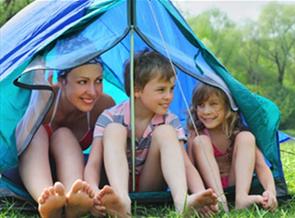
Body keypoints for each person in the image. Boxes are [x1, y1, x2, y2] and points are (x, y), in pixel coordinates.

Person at [84, 51, 218, 217]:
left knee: (166, 132)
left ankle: (181, 202)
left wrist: (199, 194)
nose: (169, 96)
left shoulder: (170, 120)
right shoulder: (109, 116)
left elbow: (186, 165)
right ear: (137, 90)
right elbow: (93, 164)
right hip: (115, 184)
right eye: (161, 90)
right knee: (114, 129)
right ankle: (122, 201)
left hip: (150, 182)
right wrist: (94, 192)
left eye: (171, 89)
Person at [18, 58, 115, 218]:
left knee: (64, 135)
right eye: (83, 82)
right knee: (36, 132)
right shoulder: (45, 95)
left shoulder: (103, 106)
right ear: (62, 81)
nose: (92, 91)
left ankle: (73, 196)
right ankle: (46, 200)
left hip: (71, 166)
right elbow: (19, 140)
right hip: (32, 168)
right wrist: (40, 101)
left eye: (98, 81)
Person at [187, 83, 278, 211]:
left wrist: (271, 191)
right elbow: (190, 169)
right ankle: (219, 200)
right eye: (201, 105)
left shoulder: (237, 132)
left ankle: (242, 198)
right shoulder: (196, 134)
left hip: (234, 184)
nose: (206, 111)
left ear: (228, 106)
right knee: (200, 141)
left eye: (213, 104)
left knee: (247, 137)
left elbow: (261, 166)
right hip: (209, 190)